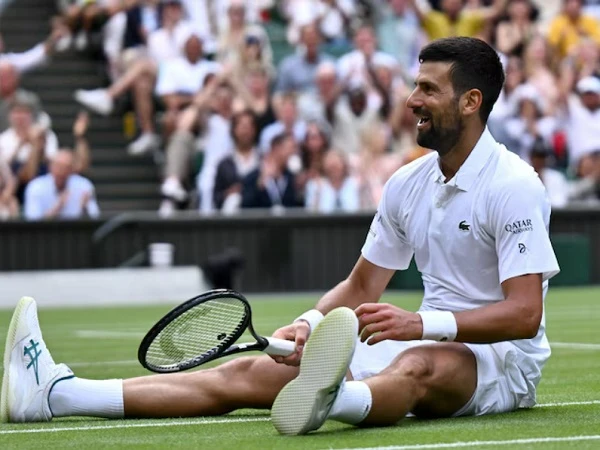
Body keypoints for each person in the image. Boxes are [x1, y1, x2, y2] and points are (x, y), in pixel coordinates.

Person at [1, 37, 560, 438]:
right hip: (424, 337)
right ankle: (55, 393)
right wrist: (310, 323)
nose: (412, 100)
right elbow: (362, 285)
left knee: (418, 369)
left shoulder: (513, 185)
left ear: (471, 102)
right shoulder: (406, 184)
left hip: (498, 360)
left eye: (428, 89)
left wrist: (421, 324)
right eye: (415, 86)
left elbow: (523, 314)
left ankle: (331, 398)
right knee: (246, 373)